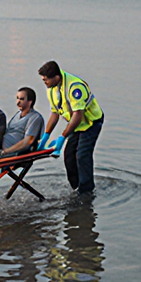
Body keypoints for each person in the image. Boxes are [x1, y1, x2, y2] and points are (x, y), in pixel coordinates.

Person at [39, 61, 104, 193]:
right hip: (76, 124)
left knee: (82, 155)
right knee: (69, 155)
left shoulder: (74, 87)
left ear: (56, 77)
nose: (44, 83)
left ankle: (86, 191)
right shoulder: (52, 89)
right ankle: (76, 187)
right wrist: (45, 136)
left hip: (91, 122)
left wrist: (63, 137)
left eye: (46, 80)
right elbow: (54, 113)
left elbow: (78, 115)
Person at [0, 87, 45, 162]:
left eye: (21, 99)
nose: (18, 102)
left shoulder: (35, 118)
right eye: (17, 98)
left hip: (10, 153)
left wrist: (6, 152)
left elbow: (28, 141)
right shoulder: (17, 114)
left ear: (30, 102)